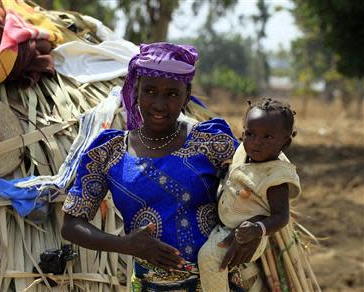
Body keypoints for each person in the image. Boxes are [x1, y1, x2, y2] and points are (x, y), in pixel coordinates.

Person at [61, 42, 261, 291]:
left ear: (186, 97)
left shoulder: (210, 141)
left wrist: (256, 229)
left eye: (172, 94)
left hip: (216, 283)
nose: (159, 104)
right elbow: (70, 226)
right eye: (150, 91)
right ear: (136, 92)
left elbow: (258, 185)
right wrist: (126, 245)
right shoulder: (109, 152)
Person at [198, 98, 301, 291]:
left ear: (285, 143)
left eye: (267, 137)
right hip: (226, 224)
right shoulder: (244, 153)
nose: (256, 142)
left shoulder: (276, 178)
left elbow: (281, 217)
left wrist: (257, 229)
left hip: (248, 235)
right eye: (250, 133)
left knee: (209, 257)